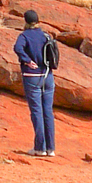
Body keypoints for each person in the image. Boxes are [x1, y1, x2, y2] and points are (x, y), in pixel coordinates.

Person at [14, 9, 55, 157]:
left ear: (25, 21)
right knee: (48, 112)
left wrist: (27, 60)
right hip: (48, 76)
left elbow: (17, 48)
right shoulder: (45, 35)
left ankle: (40, 148)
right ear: (38, 21)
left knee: (37, 111)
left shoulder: (24, 35)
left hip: (32, 76)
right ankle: (51, 149)